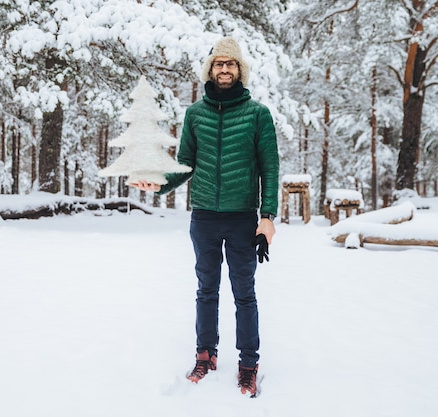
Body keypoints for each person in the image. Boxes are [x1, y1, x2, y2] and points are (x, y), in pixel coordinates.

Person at [130, 36, 279, 397]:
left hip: (243, 217)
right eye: (218, 63)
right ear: (210, 70)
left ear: (239, 70)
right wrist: (160, 183)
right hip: (205, 219)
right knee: (205, 290)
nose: (224, 69)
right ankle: (206, 355)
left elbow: (269, 168)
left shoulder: (258, 114)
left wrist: (267, 216)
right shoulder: (195, 114)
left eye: (230, 64)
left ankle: (248, 365)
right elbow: (185, 163)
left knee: (244, 293)